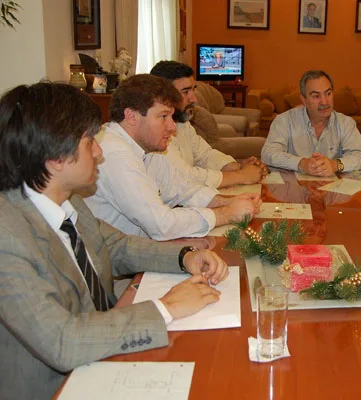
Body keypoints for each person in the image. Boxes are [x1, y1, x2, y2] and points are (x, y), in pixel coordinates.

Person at [0, 82, 230, 400]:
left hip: (106, 354)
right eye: (89, 141)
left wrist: (186, 256)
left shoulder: (69, 200)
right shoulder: (6, 236)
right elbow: (62, 342)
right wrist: (167, 307)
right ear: (55, 157)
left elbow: (118, 246)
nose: (99, 151)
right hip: (57, 386)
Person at [85, 74, 261, 240]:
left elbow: (181, 188)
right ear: (131, 116)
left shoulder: (145, 145)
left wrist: (229, 201)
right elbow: (161, 225)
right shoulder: (114, 154)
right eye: (163, 116)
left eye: (171, 116)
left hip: (145, 249)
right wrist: (226, 213)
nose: (172, 127)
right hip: (124, 266)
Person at [147, 60, 267, 189]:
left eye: (193, 90)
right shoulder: (153, 131)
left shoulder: (182, 122)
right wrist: (241, 176)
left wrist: (237, 167)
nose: (194, 99)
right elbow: (184, 177)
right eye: (185, 91)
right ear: (163, 95)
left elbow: (204, 155)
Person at [261, 70, 361, 176]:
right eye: (316, 96)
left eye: (328, 93)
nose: (324, 102)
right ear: (304, 100)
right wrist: (301, 163)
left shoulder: (346, 123)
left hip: (334, 190)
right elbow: (268, 154)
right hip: (295, 190)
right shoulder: (284, 121)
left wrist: (334, 165)